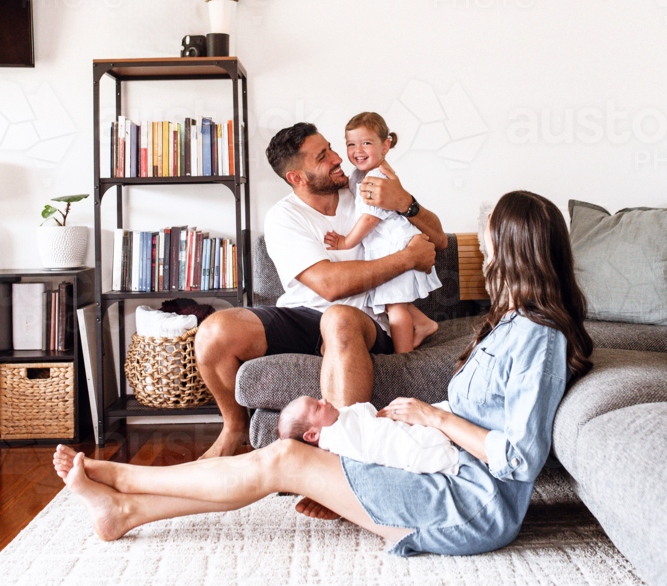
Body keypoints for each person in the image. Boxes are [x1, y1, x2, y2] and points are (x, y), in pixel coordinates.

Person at [53, 190, 593, 557]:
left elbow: (520, 460)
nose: (486, 246)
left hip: (467, 505)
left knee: (287, 457)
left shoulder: (539, 337)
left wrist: (433, 416)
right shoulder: (508, 325)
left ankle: (123, 482)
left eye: (490, 234)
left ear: (515, 249)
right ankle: (123, 510)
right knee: (291, 459)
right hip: (441, 469)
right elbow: (474, 414)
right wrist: (401, 428)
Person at [192, 122, 446, 494]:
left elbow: (437, 238)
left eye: (331, 148)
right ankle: (233, 428)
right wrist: (406, 259)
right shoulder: (285, 217)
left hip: (362, 319)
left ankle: (338, 469)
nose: (338, 158)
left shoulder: (366, 189)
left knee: (338, 317)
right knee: (215, 331)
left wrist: (405, 203)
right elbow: (328, 285)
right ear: (297, 177)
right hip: (302, 314)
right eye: (323, 156)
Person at [324, 112, 441, 352]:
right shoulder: (364, 174)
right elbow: (353, 187)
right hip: (390, 244)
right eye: (351, 144)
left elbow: (368, 219)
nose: (358, 150)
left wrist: (346, 242)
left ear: (385, 145)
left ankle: (404, 357)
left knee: (395, 306)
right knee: (391, 300)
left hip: (395, 245)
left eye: (366, 143)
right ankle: (424, 324)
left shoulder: (375, 179)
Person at [277, 396, 460, 475]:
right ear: (312, 435)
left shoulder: (338, 422)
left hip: (403, 432)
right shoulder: (335, 439)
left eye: (318, 399)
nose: (324, 400)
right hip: (421, 449)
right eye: (317, 407)